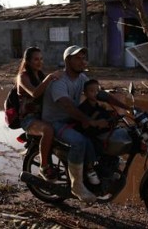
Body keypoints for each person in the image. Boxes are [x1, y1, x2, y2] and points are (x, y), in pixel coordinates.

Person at [41, 45, 107, 202]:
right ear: (67, 60)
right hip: (56, 121)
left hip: (72, 119)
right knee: (79, 141)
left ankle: (95, 169)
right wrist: (88, 120)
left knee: (104, 134)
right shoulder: (59, 81)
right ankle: (76, 185)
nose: (82, 61)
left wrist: (123, 108)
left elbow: (98, 93)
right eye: (77, 58)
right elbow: (68, 106)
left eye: (83, 58)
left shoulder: (82, 78)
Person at [16, 46, 63, 181]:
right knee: (48, 130)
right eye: (36, 59)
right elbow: (35, 93)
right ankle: (43, 167)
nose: (39, 62)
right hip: (28, 119)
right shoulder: (22, 77)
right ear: (28, 61)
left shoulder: (40, 74)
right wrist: (49, 78)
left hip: (44, 115)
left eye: (41, 59)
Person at [76, 78, 131, 182]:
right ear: (85, 93)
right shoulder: (84, 107)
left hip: (98, 133)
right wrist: (97, 120)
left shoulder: (99, 105)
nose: (95, 93)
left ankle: (112, 167)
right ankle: (90, 169)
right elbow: (84, 125)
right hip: (87, 134)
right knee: (90, 144)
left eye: (97, 90)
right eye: (92, 91)